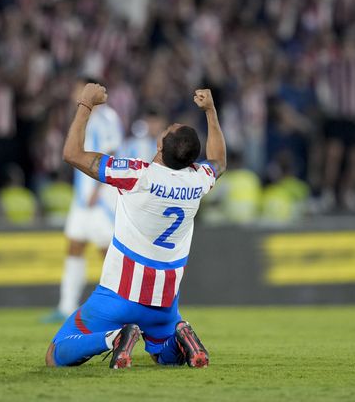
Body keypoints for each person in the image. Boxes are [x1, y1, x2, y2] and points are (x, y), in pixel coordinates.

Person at [46, 84, 226, 369]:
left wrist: (85, 104)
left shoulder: (136, 174)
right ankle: (179, 337)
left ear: (159, 145)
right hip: (165, 303)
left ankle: (114, 339)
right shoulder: (198, 180)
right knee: (163, 356)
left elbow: (71, 153)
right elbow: (218, 160)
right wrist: (211, 112)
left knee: (56, 354)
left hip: (119, 295)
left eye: (167, 129)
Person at [45, 77, 123, 322]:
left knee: (107, 253)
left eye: (80, 88)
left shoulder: (108, 118)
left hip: (99, 198)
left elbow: (112, 154)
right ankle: (66, 306)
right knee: (75, 246)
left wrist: (98, 190)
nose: (75, 92)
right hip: (81, 197)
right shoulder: (84, 117)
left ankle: (119, 305)